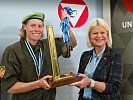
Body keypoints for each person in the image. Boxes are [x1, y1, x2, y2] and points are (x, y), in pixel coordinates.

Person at [1, 11, 77, 100]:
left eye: (40, 26)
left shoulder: (50, 44)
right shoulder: (12, 51)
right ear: (24, 26)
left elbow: (72, 43)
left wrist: (66, 22)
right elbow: (10, 87)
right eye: (33, 25)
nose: (37, 30)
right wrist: (38, 84)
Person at [70, 18, 123, 100]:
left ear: (107, 35)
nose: (99, 36)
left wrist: (90, 83)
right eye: (95, 33)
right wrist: (74, 78)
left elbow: (113, 87)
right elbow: (82, 81)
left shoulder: (115, 55)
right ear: (90, 36)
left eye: (102, 32)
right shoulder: (85, 55)